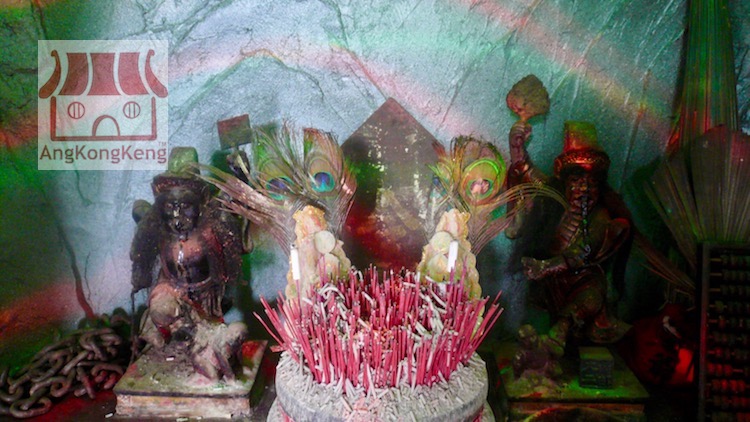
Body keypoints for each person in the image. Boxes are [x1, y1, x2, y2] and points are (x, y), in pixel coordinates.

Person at [507, 121, 632, 363]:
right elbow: (527, 173)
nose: (583, 188)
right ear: (565, 182)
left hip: (581, 283)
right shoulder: (554, 200)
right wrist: (517, 148)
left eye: (591, 183)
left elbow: (580, 253)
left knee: (592, 295)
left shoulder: (601, 218)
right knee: (535, 312)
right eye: (576, 181)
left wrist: (545, 267)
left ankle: (561, 333)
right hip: (550, 284)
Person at [130, 147, 247, 381]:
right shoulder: (157, 228)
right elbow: (139, 213)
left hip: (206, 296)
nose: (177, 215)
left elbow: (235, 197)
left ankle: (212, 347)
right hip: (171, 289)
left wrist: (240, 173)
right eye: (170, 207)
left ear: (200, 204)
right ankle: (194, 344)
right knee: (163, 310)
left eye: (185, 206)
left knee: (233, 329)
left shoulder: (212, 223)